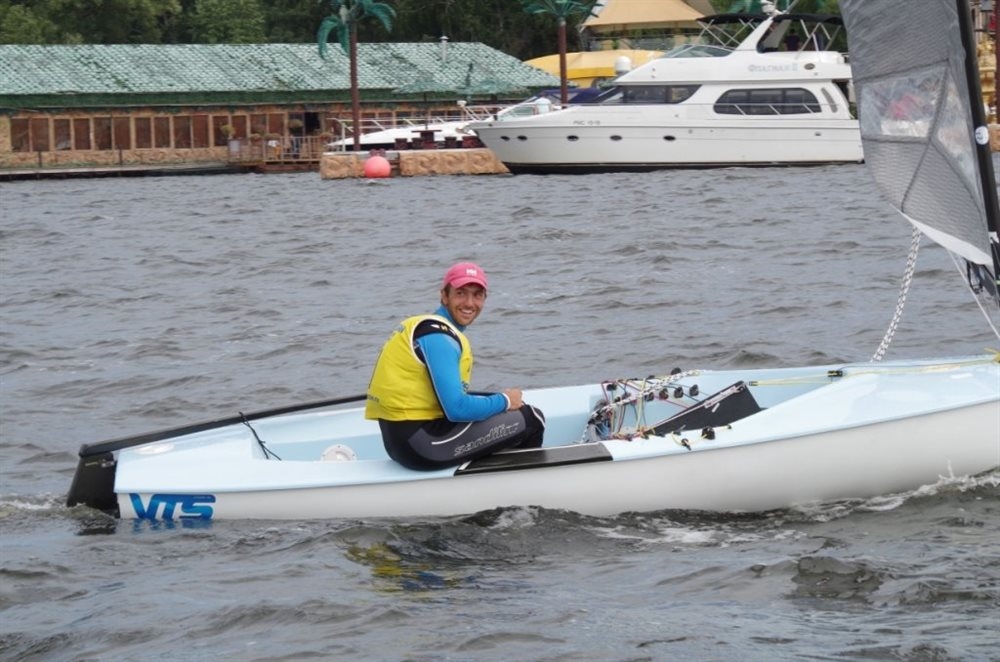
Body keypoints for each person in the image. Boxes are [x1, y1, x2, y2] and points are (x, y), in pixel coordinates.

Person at [365, 262, 546, 470]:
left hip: (403, 441)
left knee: (499, 410)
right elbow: (457, 409)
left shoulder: (422, 326)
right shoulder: (439, 338)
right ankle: (519, 484)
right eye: (461, 293)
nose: (469, 303)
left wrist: (499, 402)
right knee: (531, 418)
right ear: (444, 296)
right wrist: (505, 400)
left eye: (477, 295)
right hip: (422, 444)